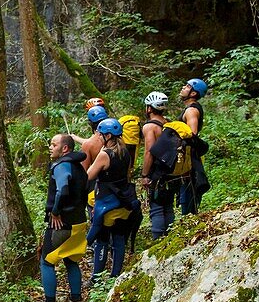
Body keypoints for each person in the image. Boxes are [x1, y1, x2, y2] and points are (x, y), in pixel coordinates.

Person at [29, 134, 88, 302]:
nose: (50, 147)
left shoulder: (61, 166)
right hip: (79, 222)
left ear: (65, 149)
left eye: (54, 144)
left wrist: (55, 212)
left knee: (46, 262)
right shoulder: (78, 166)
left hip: (61, 224)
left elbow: (62, 189)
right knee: (71, 261)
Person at [85, 119, 140, 283]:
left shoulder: (104, 154)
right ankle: (115, 275)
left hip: (106, 204)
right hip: (124, 202)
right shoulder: (125, 152)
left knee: (101, 241)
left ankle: (96, 278)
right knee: (119, 239)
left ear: (108, 136)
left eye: (101, 134)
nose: (99, 137)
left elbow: (89, 174)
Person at [140, 91, 175, 238]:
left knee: (156, 206)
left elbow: (149, 151)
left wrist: (145, 175)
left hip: (157, 171)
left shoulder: (150, 127)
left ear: (149, 108)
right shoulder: (168, 123)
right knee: (168, 205)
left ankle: (158, 239)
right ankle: (169, 236)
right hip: (171, 169)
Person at [178, 78, 208, 215]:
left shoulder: (191, 111)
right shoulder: (190, 108)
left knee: (188, 193)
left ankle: (189, 220)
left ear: (194, 93)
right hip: (189, 157)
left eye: (187, 86)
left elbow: (191, 134)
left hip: (190, 159)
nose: (183, 87)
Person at [80, 105, 108, 170]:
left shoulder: (88, 144)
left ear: (90, 123)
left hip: (98, 178)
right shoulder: (118, 140)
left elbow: (84, 170)